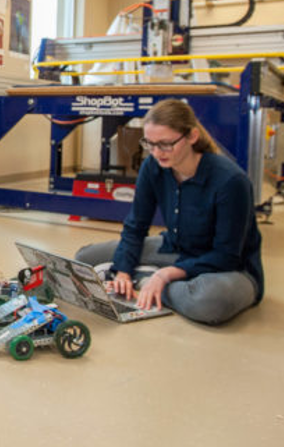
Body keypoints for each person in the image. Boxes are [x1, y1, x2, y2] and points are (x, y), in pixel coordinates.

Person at [74, 99, 264, 325]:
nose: (156, 152)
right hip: (175, 249)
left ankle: (147, 283)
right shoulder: (154, 166)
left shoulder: (231, 181)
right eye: (150, 144)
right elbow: (136, 226)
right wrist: (123, 270)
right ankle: (142, 277)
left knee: (209, 302)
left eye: (165, 144)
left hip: (228, 269)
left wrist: (164, 276)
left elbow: (226, 256)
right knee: (85, 258)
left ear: (192, 137)